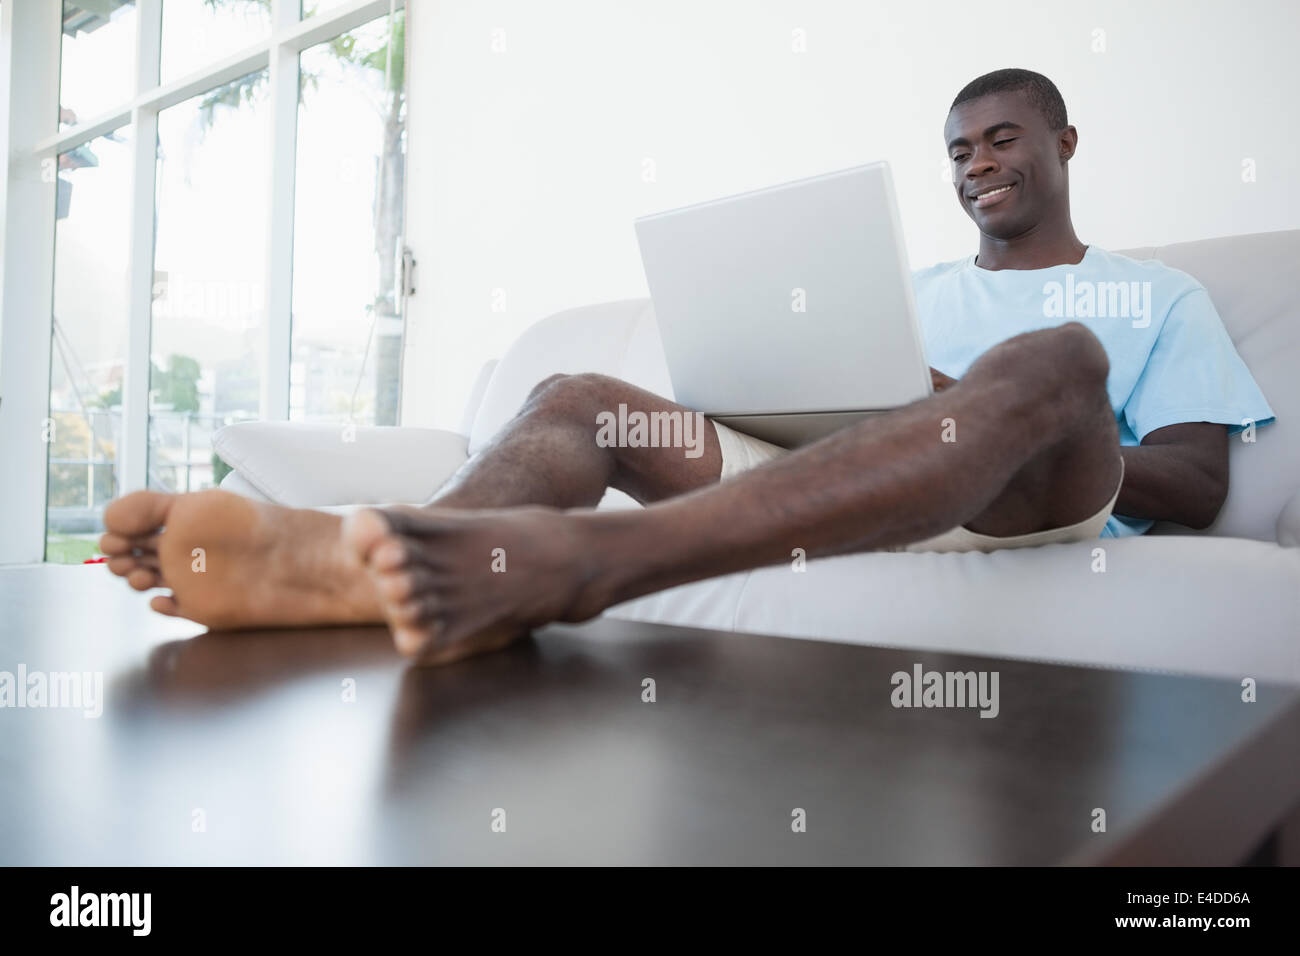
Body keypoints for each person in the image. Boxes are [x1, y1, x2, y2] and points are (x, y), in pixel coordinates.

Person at [100, 68, 1275, 666]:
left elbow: (1194, 482)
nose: (976, 164)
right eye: (958, 150)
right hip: (849, 480)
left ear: (1063, 143)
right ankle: (380, 560)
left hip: (1031, 505)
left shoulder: (1152, 295)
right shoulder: (911, 292)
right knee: (582, 400)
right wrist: (862, 401)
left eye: (1003, 138)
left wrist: (980, 414)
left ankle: (583, 563)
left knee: (1053, 358)